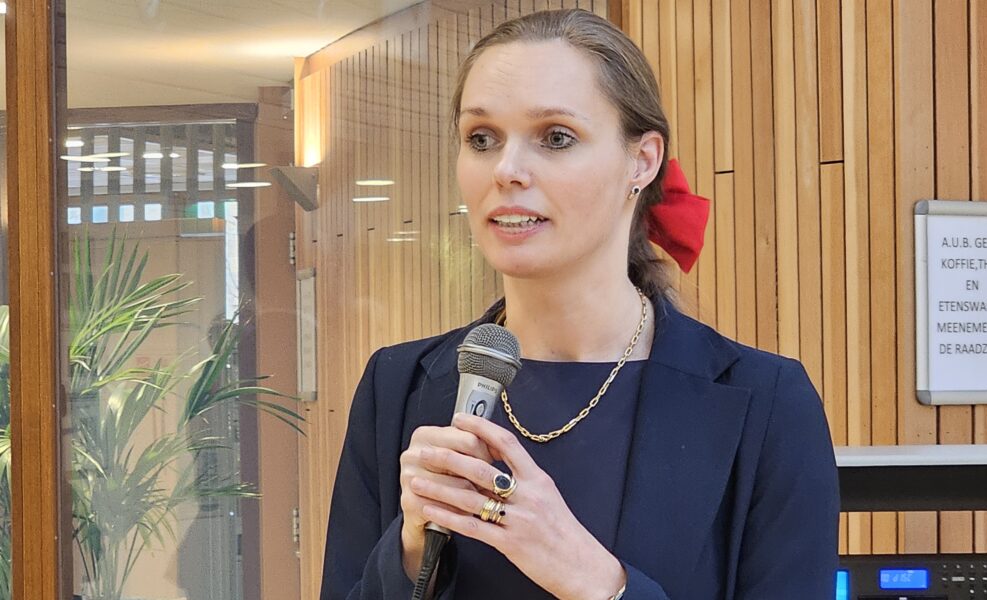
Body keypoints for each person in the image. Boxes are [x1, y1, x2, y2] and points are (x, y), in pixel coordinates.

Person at [319, 9, 838, 599]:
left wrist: (595, 580)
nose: (507, 170)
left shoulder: (768, 405)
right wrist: (411, 554)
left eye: (556, 137)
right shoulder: (396, 386)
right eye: (481, 139)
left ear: (642, 161)